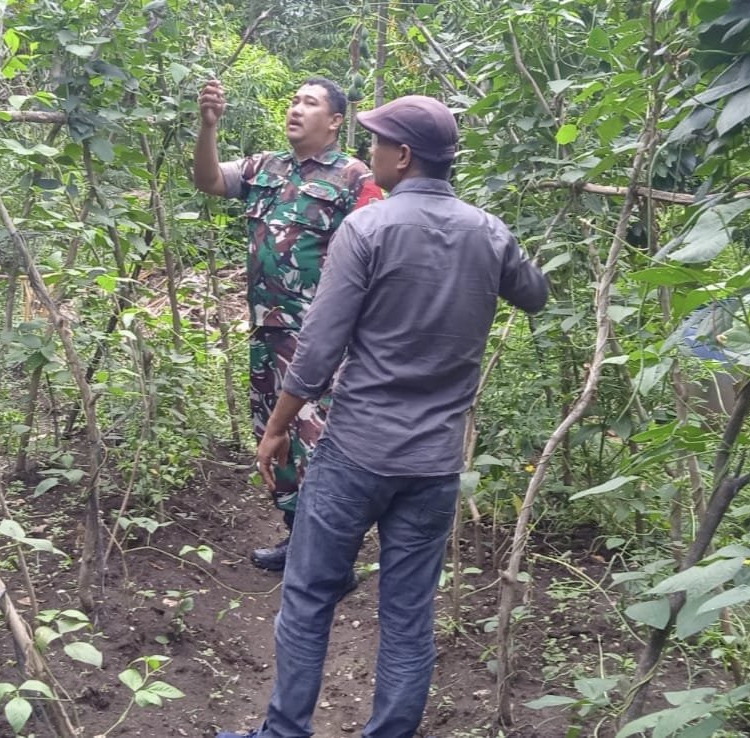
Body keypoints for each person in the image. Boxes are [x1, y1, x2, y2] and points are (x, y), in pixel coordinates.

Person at [217, 95, 549, 738]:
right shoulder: (487, 231)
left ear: (403, 156)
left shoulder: (367, 229)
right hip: (434, 462)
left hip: (356, 451)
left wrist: (278, 426)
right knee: (408, 614)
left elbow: (318, 348)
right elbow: (533, 294)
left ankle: (284, 732)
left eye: (376, 143)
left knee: (309, 594)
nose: (369, 154)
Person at [193, 76, 383, 571]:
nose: (296, 109)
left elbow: (376, 253)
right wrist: (208, 127)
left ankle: (332, 559)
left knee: (316, 441)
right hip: (267, 332)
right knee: (273, 437)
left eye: (310, 103)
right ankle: (298, 540)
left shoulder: (355, 178)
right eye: (294, 101)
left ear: (335, 121)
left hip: (321, 340)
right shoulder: (264, 167)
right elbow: (209, 180)